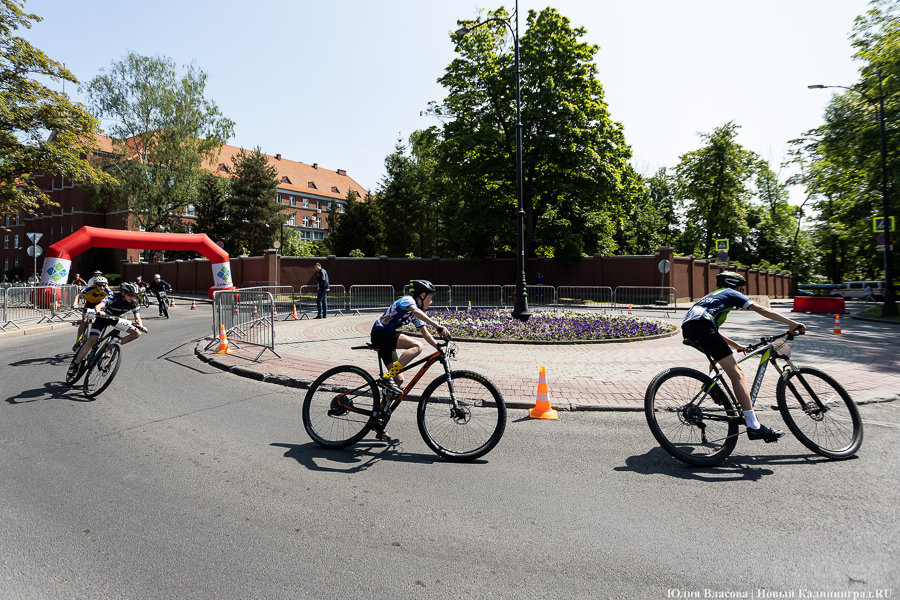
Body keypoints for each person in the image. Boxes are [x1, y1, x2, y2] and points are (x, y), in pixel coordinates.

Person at [681, 271, 806, 442]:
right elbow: (761, 309)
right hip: (703, 328)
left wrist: (737, 346)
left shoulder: (710, 297)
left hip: (689, 329)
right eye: (742, 288)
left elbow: (712, 331)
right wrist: (792, 323)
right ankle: (754, 426)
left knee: (718, 361)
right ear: (736, 286)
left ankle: (711, 387)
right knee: (737, 373)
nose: (743, 292)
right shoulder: (730, 293)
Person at [69, 281, 147, 372]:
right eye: (130, 294)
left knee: (137, 333)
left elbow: (137, 318)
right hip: (103, 317)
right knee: (92, 341)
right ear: (123, 293)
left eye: (135, 295)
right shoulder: (114, 297)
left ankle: (113, 344)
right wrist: (99, 312)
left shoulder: (134, 303)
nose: (132, 297)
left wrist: (141, 326)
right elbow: (99, 305)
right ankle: (75, 364)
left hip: (116, 319)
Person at [72, 276, 113, 351]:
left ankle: (95, 338)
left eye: (104, 285)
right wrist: (75, 304)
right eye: (100, 285)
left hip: (98, 305)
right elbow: (78, 296)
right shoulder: (89, 289)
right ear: (95, 285)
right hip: (89, 304)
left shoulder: (107, 290)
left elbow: (112, 299)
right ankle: (78, 341)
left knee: (99, 321)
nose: (102, 287)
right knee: (84, 321)